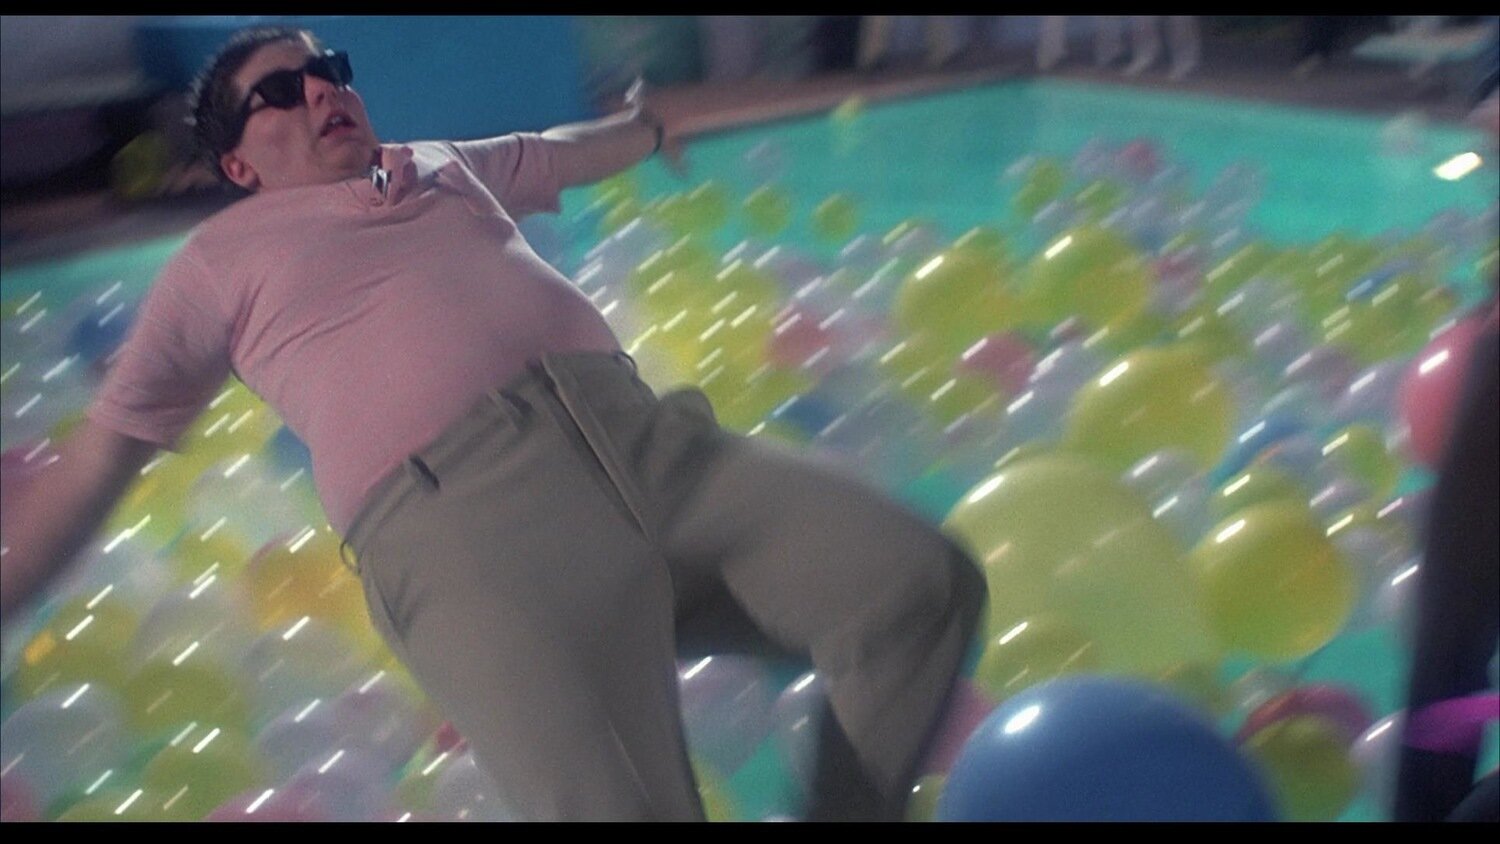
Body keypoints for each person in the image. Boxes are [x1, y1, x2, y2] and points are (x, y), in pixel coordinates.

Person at [0, 25, 986, 822]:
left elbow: (559, 151)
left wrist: (646, 130)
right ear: (238, 163)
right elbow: (97, 461)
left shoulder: (439, 165)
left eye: (328, 69)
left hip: (651, 451)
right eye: (282, 91)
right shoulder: (217, 262)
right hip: (475, 535)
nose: (321, 90)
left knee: (917, 587)